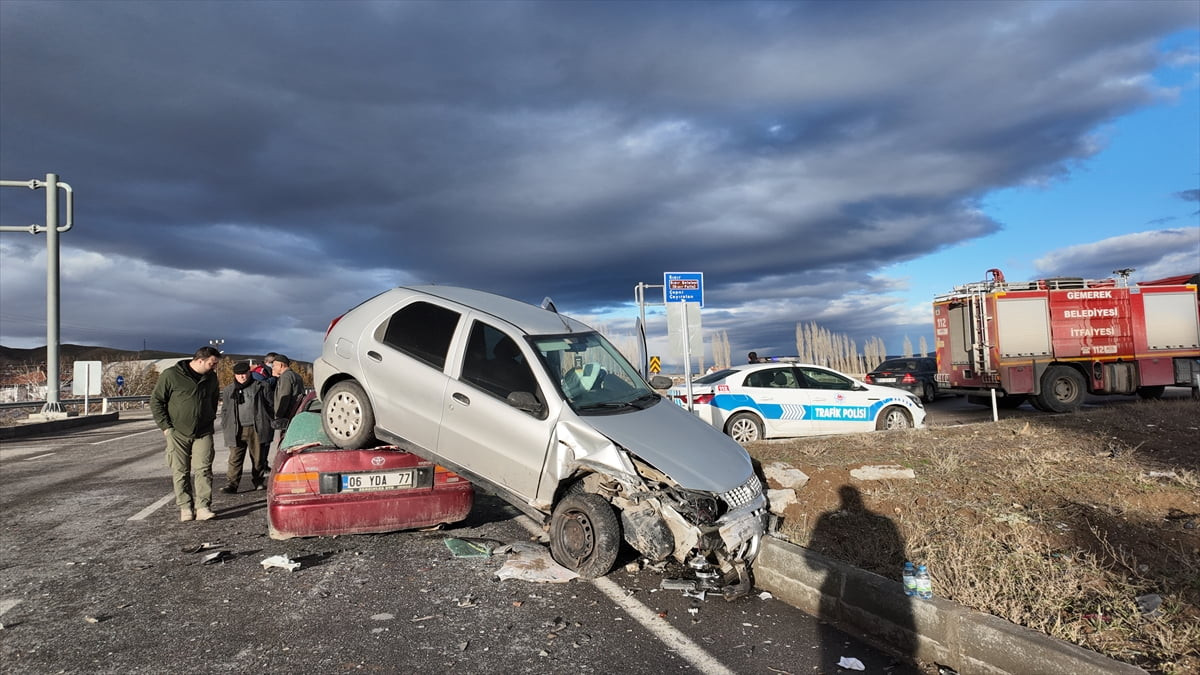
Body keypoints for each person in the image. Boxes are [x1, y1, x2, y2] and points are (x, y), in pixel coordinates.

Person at [151, 346, 222, 522]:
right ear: (200, 360)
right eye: (212, 364)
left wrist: (208, 417)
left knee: (204, 469)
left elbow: (213, 400)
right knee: (180, 471)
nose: (214, 368)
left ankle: (203, 507)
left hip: (203, 431)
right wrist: (166, 427)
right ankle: (185, 507)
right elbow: (157, 401)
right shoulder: (171, 375)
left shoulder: (211, 377)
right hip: (178, 432)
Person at [219, 362, 274, 493]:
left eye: (244, 373)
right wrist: (225, 425)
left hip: (256, 427)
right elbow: (225, 410)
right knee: (235, 458)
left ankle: (258, 481)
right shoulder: (228, 390)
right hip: (236, 428)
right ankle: (232, 484)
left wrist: (268, 421)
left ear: (249, 373)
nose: (242, 377)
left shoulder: (262, 386)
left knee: (258, 457)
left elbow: (270, 405)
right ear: (235, 375)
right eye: (239, 375)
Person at [269, 354, 306, 463]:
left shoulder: (285, 377)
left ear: (281, 365)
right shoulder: (296, 376)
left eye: (274, 365)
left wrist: (279, 415)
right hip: (296, 415)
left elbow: (283, 397)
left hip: (288, 416)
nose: (273, 368)